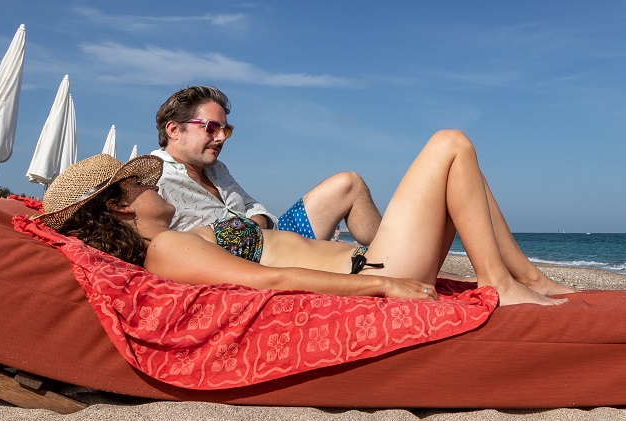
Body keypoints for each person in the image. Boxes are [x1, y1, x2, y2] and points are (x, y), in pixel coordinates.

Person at [38, 129, 577, 306]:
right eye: (142, 184)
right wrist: (383, 287)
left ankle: (521, 276)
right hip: (368, 271)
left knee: (461, 168)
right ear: (119, 205)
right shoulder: (166, 248)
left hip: (372, 262)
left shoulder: (176, 238)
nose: (154, 184)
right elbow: (270, 278)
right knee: (450, 144)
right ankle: (497, 282)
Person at [150, 86, 381, 245]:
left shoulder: (217, 169)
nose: (221, 138)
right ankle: (395, 263)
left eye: (226, 130)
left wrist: (256, 223)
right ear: (173, 130)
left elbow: (257, 208)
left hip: (277, 239)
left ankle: (393, 254)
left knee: (349, 183)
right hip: (255, 262)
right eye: (211, 127)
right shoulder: (151, 179)